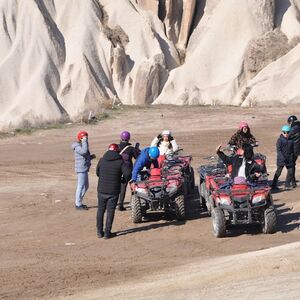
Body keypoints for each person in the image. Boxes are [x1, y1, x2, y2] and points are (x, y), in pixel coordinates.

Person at [96, 143, 131, 239]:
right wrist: (123, 180)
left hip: (101, 189)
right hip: (113, 191)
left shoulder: (102, 160)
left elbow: (97, 173)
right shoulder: (120, 162)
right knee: (110, 212)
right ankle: (107, 233)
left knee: (100, 211)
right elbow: (128, 174)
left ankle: (99, 232)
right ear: (117, 151)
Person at [72, 131, 96, 210]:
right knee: (80, 186)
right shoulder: (77, 146)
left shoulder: (82, 145)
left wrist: (91, 157)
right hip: (81, 169)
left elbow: (84, 156)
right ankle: (78, 204)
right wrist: (84, 141)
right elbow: (84, 152)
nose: (87, 139)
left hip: (84, 168)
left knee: (86, 186)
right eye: (85, 137)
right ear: (81, 138)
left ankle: (79, 202)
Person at [117, 131, 140, 211]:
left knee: (119, 187)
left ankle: (119, 204)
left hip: (117, 169)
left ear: (121, 138)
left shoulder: (117, 147)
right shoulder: (130, 148)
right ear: (128, 138)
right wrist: (137, 149)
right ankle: (133, 203)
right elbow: (137, 157)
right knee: (132, 186)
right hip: (128, 170)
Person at [271, 125, 295, 190]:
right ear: (282, 132)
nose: (286, 134)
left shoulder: (291, 140)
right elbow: (278, 150)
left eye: (288, 132)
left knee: (291, 171)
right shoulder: (280, 140)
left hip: (289, 159)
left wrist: (292, 157)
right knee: (278, 172)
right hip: (281, 159)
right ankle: (273, 185)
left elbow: (292, 150)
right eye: (284, 132)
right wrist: (282, 158)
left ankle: (287, 184)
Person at [288, 115, 300, 187]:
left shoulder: (294, 128)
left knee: (291, 164)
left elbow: (288, 137)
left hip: (295, 149)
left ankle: (293, 182)